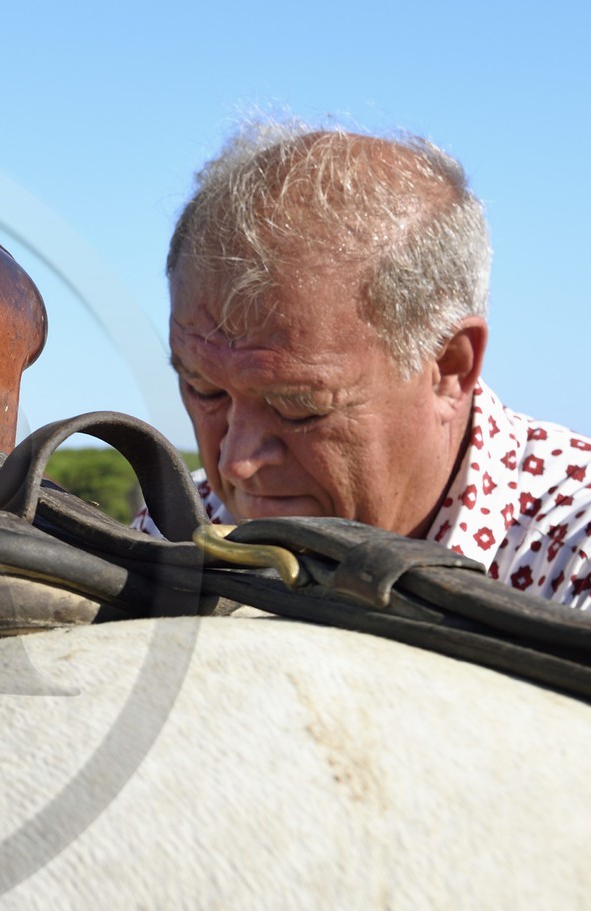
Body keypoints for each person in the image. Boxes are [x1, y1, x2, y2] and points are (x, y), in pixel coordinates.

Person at [134, 123, 591, 609]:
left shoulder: (572, 562)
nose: (236, 462)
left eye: (299, 407)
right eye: (204, 390)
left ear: (450, 367)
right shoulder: (173, 529)